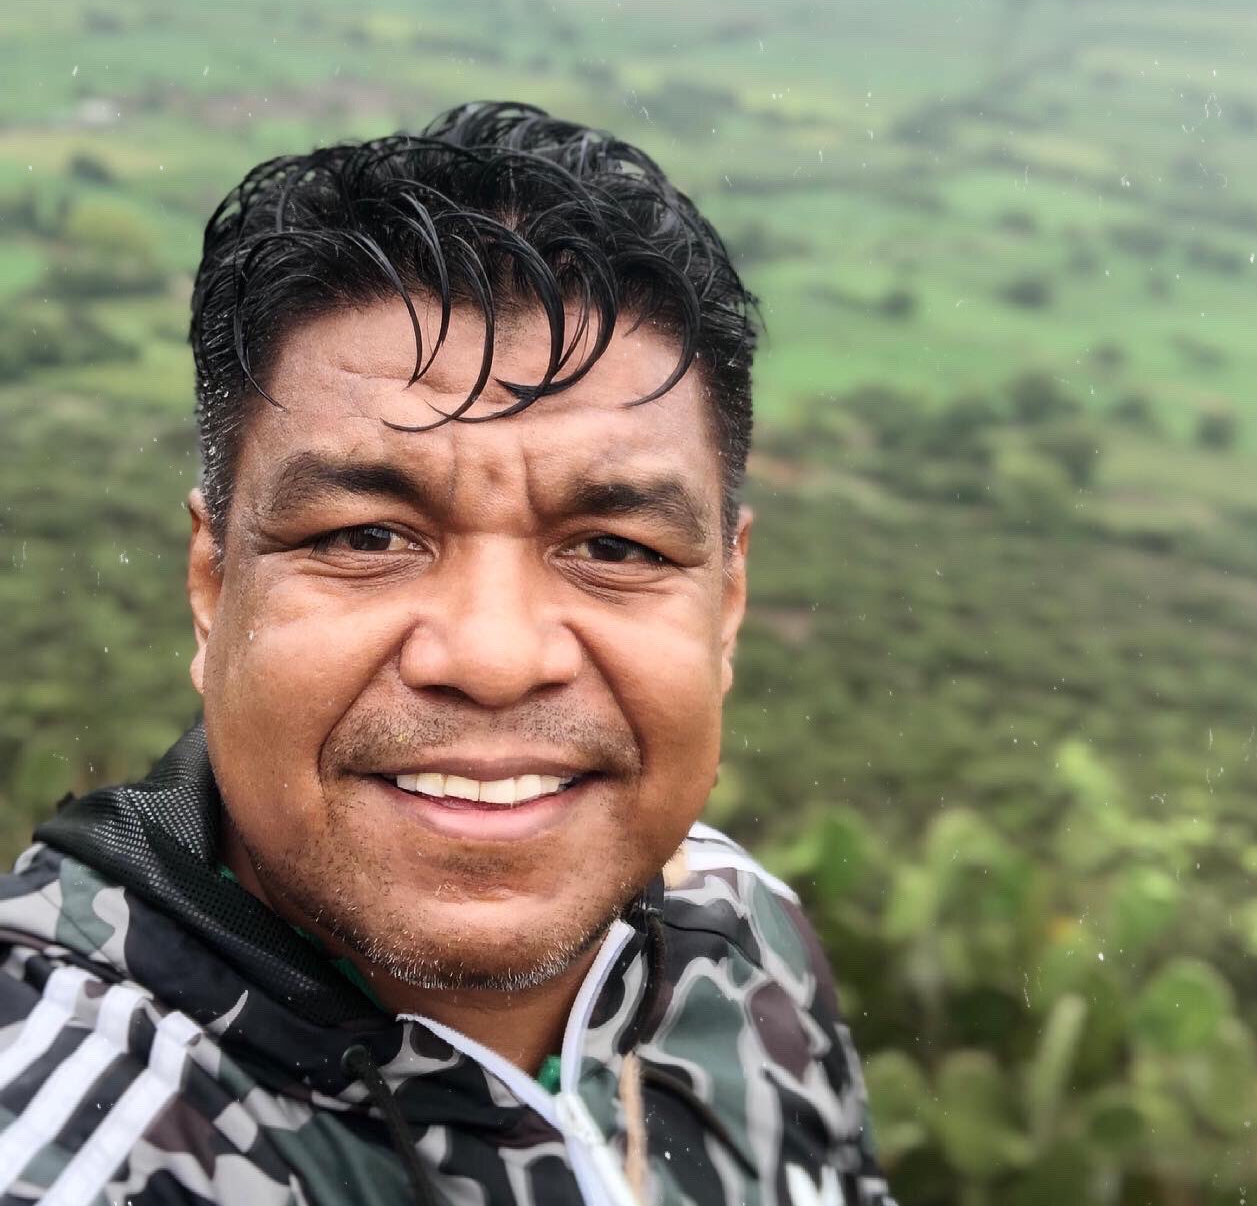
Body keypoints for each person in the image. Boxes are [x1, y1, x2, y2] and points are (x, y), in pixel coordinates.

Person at [0, 103, 893, 1206]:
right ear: (211, 586)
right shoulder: (72, 1144)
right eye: (366, 537)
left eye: (613, 547)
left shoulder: (740, 929)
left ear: (726, 605)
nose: (494, 656)